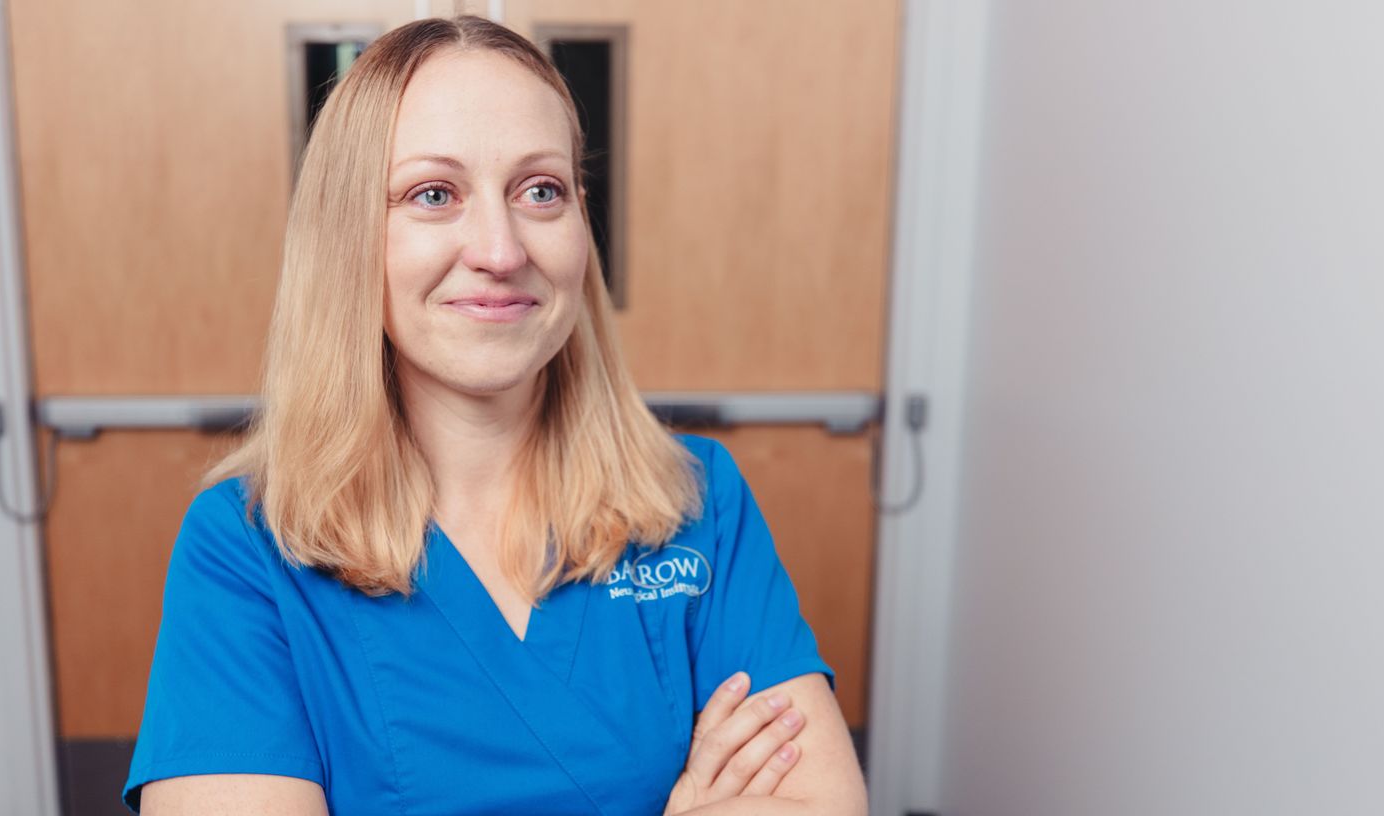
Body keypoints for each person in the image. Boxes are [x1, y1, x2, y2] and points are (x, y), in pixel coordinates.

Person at [123, 15, 867, 816]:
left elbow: (819, 802)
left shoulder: (695, 499)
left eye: (540, 190)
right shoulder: (247, 550)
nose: (501, 249)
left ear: (582, 225)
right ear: (348, 237)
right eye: (433, 194)